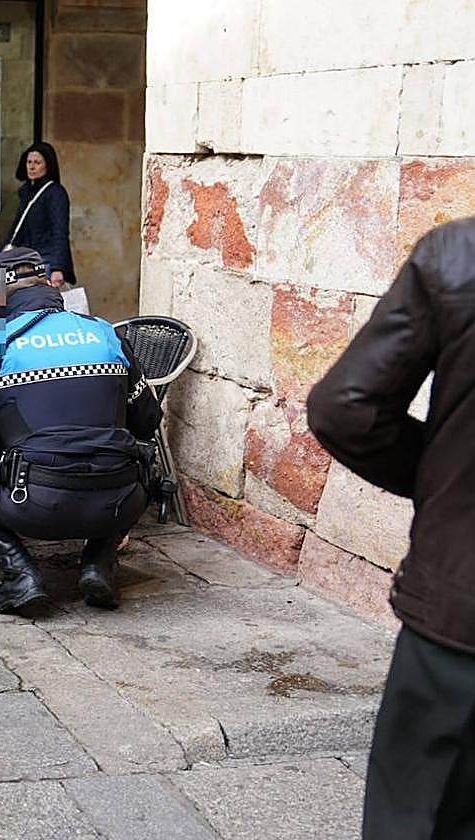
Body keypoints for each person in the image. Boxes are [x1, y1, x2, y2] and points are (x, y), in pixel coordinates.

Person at [306, 219, 475, 839]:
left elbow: (345, 409)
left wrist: (437, 480)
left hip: (461, 616)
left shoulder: (460, 255)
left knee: (418, 818)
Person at [0, 247, 160, 614]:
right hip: (119, 500)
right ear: (49, 285)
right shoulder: (103, 331)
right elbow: (148, 421)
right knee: (141, 460)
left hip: (32, 503)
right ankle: (98, 563)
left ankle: (19, 573)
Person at [3, 142, 75, 288]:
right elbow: (16, 230)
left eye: (37, 162)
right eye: (29, 162)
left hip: (46, 261)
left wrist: (58, 268)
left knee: (39, 303)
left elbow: (59, 232)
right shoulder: (26, 193)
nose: (32, 166)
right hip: (25, 260)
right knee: (1, 296)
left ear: (47, 165)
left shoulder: (55, 193)